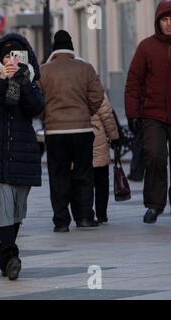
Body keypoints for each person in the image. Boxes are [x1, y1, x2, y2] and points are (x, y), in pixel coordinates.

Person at [0, 34, 44, 280]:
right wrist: (1, 80)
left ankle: (6, 256)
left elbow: (37, 108)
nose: (11, 60)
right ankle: (10, 253)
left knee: (16, 210)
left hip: (22, 153)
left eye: (15, 56)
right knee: (2, 205)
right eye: (6, 56)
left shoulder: (31, 82)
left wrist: (23, 82)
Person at [38, 30, 104, 232]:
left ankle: (61, 220)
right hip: (82, 129)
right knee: (84, 173)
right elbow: (97, 95)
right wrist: (86, 112)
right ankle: (84, 216)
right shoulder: (85, 68)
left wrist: (46, 117)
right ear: (72, 46)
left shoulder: (43, 71)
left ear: (54, 48)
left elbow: (37, 100)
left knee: (58, 174)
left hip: (55, 132)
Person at [125, 0, 171, 224]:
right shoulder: (146, 47)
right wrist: (132, 113)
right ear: (158, 22)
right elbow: (133, 81)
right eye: (164, 19)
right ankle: (154, 204)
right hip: (153, 114)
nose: (169, 23)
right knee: (155, 156)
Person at [88, 95, 119, 224]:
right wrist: (114, 137)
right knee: (101, 182)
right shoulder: (95, 87)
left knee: (83, 182)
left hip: (80, 138)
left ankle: (85, 214)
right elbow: (107, 115)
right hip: (98, 138)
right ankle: (101, 214)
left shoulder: (70, 85)